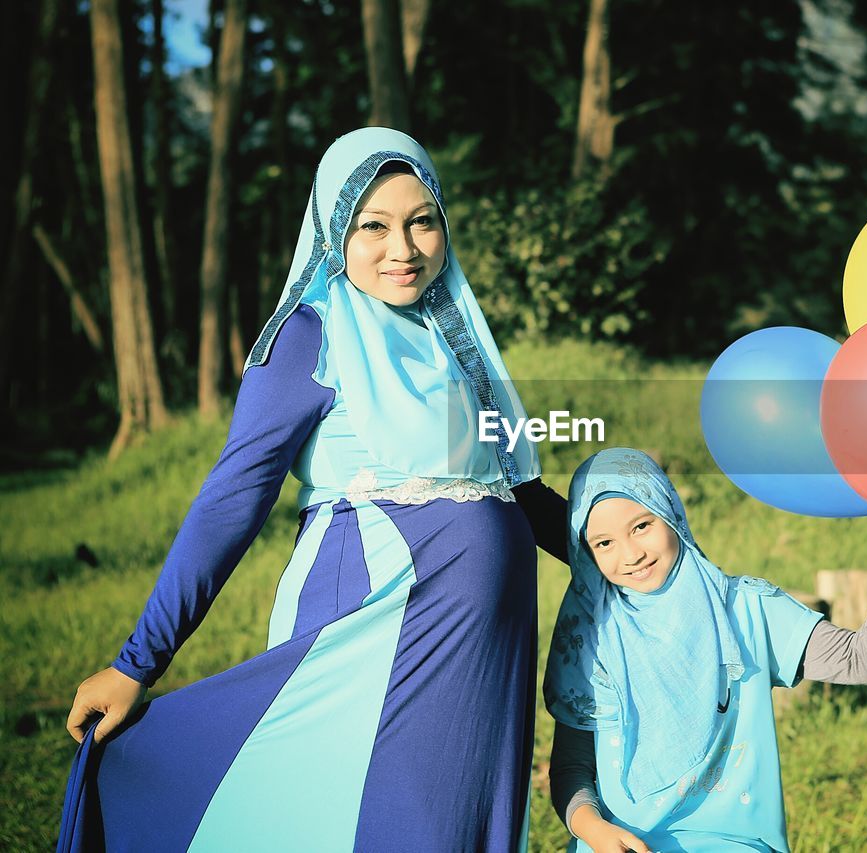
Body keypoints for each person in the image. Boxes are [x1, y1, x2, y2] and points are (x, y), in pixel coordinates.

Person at [59, 127, 569, 852]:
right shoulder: (308, 336)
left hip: (479, 664)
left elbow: (523, 493)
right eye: (374, 226)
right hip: (370, 637)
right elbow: (233, 498)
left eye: (423, 220)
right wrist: (137, 661)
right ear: (333, 228)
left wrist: (646, 549)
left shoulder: (459, 343)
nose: (404, 248)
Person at [544, 448, 867, 853]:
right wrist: (593, 830)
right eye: (604, 543)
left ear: (669, 512)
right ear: (585, 553)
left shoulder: (748, 609)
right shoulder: (589, 640)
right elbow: (571, 766)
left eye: (642, 526)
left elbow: (862, 662)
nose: (631, 555)